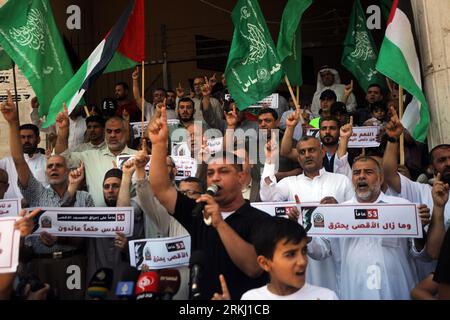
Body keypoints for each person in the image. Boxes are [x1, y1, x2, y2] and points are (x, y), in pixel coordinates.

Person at [148, 106, 270, 300]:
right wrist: (159, 144)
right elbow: (161, 189)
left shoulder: (260, 220)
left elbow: (254, 268)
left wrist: (220, 223)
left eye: (224, 171)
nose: (215, 178)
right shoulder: (198, 212)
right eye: (211, 173)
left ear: (241, 177)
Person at [309, 156, 427, 299]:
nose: (361, 177)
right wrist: (305, 234)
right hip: (355, 291)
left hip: (397, 290)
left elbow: (420, 254)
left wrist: (419, 228)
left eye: (368, 172)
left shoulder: (402, 206)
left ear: (381, 178)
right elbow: (320, 251)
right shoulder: (338, 212)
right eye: (357, 173)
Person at [260, 135, 353, 292]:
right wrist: (269, 162)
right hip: (300, 262)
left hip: (334, 262)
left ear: (322, 152)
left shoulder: (341, 181)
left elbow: (354, 217)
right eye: (302, 152)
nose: (307, 155)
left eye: (311, 150)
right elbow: (267, 197)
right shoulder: (291, 183)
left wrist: (338, 209)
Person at [54, 108, 138, 206]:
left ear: (125, 132)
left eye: (117, 131)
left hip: (132, 218)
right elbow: (62, 157)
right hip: (97, 219)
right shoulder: (90, 156)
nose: (113, 135)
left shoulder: (138, 157)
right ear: (104, 133)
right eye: (109, 131)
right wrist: (63, 131)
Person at [240, 217, 338, 300]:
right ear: (265, 263)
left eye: (304, 251)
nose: (302, 261)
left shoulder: (327, 297)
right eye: (290, 254)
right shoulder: (251, 298)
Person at [85, 168, 145, 300]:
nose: (110, 190)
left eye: (116, 186)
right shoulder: (93, 220)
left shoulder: (139, 218)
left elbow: (144, 253)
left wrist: (127, 248)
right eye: (106, 187)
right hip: (98, 287)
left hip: (126, 283)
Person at [0, 121, 48, 200]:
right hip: (12, 210)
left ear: (38, 139)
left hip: (39, 208)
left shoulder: (47, 161)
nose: (26, 140)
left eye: (30, 137)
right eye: (22, 137)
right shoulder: (7, 162)